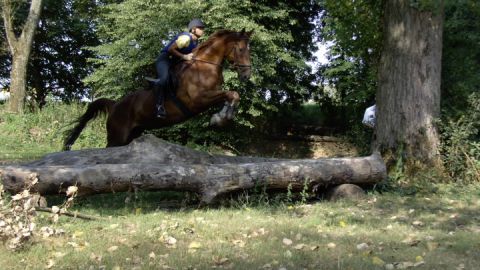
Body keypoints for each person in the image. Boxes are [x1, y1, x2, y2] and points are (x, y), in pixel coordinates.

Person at [153, 19, 206, 118]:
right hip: (165, 59)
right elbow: (170, 49)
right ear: (193, 29)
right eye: (200, 28)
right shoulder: (186, 38)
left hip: (175, 61)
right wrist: (184, 57)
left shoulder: (196, 42)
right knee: (164, 79)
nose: (203, 30)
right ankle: (159, 106)